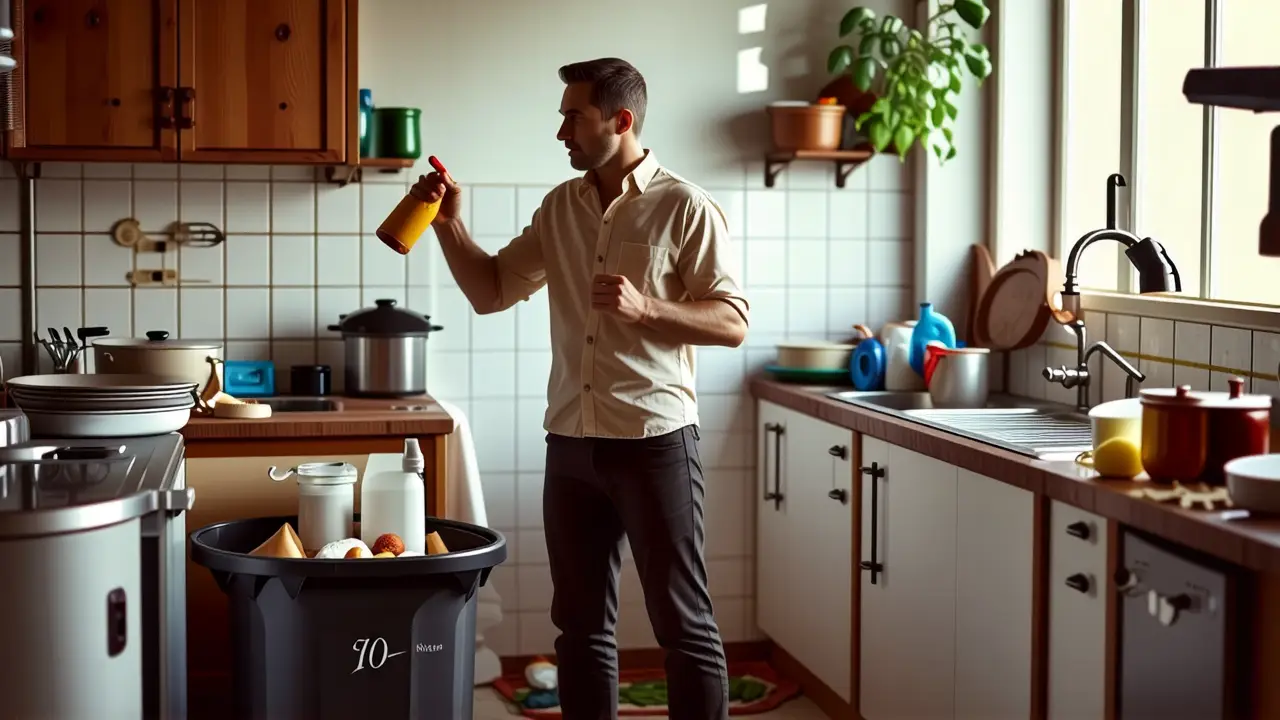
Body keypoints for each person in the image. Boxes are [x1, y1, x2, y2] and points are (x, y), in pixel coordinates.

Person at [410, 57, 748, 720]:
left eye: (574, 115)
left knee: (684, 627)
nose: (561, 129)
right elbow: (491, 290)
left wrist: (646, 308)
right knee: (581, 631)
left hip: (654, 443)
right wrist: (449, 223)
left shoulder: (685, 205)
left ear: (619, 121)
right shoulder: (561, 207)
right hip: (570, 444)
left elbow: (733, 322)